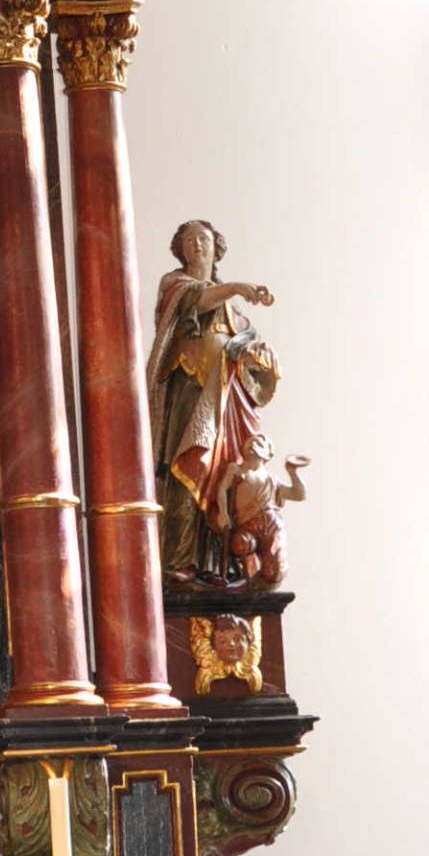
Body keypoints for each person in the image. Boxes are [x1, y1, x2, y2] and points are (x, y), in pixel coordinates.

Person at [146, 219, 280, 583]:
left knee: (222, 474)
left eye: (203, 239)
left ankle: (217, 562)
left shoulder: (234, 313)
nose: (197, 245)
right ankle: (179, 561)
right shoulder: (175, 285)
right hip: (189, 389)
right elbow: (199, 299)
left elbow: (252, 357)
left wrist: (264, 359)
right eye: (189, 240)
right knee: (188, 463)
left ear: (216, 248)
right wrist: (237, 287)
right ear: (180, 250)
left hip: (225, 400)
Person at [216, 434, 308, 588]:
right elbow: (222, 490)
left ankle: (264, 583)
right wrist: (223, 513)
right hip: (247, 523)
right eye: (250, 442)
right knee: (241, 544)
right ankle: (249, 581)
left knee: (274, 572)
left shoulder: (272, 479)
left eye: (259, 443)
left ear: (268, 455)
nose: (253, 444)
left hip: (272, 524)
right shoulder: (236, 469)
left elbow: (299, 495)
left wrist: (292, 471)